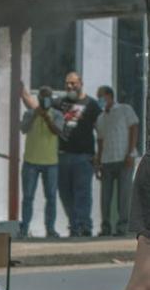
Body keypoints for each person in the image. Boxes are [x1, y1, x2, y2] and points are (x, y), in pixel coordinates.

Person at [54, 71, 102, 237]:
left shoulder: (92, 104)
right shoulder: (60, 103)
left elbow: (100, 131)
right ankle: (74, 226)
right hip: (62, 156)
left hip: (84, 157)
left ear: (80, 83)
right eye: (67, 83)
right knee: (65, 194)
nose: (69, 86)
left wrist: (99, 156)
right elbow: (40, 107)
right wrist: (23, 92)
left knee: (82, 194)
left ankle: (84, 227)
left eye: (73, 83)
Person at [17, 84, 65, 238]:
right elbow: (23, 129)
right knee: (28, 197)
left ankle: (50, 229)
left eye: (48, 97)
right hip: (31, 161)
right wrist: (36, 115)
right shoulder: (29, 113)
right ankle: (24, 228)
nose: (45, 100)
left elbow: (57, 131)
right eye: (43, 96)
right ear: (38, 98)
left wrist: (46, 117)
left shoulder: (57, 114)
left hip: (50, 162)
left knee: (51, 197)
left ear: (51, 99)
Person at [95, 85, 140, 237]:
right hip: (107, 160)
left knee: (124, 195)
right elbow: (100, 141)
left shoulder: (124, 109)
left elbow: (134, 129)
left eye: (101, 96)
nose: (100, 100)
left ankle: (122, 227)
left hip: (124, 158)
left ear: (109, 96)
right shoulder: (101, 118)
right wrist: (98, 161)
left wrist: (131, 152)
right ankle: (106, 227)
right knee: (105, 197)